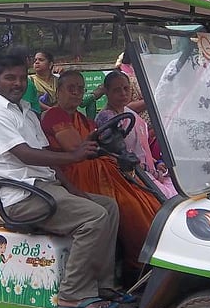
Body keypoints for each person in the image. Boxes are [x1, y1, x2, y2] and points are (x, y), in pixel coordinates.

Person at [0, 57, 122, 308]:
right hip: (21, 197)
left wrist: (73, 189)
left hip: (46, 188)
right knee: (94, 217)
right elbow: (25, 154)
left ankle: (103, 285)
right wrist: (74, 157)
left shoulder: (26, 111)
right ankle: (72, 294)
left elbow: (45, 155)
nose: (18, 83)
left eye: (22, 78)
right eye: (10, 78)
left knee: (107, 206)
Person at [42, 70, 161, 274]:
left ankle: (157, 256)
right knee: (127, 204)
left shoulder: (83, 118)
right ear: (58, 90)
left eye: (80, 89)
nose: (76, 93)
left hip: (99, 167)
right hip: (73, 173)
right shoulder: (53, 114)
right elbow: (75, 148)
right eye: (71, 88)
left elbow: (98, 143)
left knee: (147, 197)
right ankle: (140, 264)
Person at [95, 70, 178, 199]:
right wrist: (145, 169)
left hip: (147, 172)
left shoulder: (130, 114)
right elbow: (115, 155)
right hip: (130, 174)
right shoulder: (106, 118)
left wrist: (155, 163)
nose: (123, 93)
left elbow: (141, 147)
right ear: (107, 91)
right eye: (117, 90)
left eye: (125, 88)